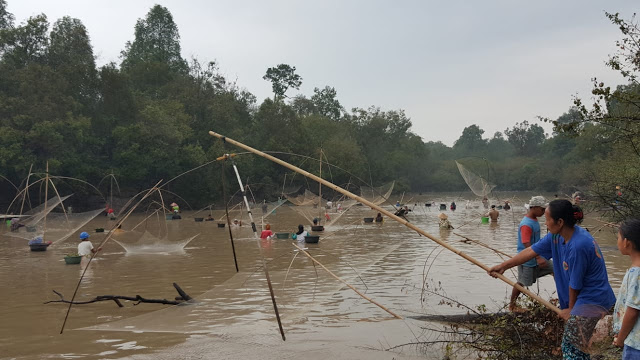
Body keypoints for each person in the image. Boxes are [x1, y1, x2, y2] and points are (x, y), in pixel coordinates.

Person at [489, 199, 615, 358]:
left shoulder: (579, 245)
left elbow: (575, 284)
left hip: (592, 301)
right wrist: (504, 266)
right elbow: (530, 252)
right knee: (579, 347)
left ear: (560, 222)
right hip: (580, 301)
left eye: (548, 219)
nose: (546, 223)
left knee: (571, 349)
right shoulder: (556, 237)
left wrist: (571, 309)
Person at [505, 196, 552, 311]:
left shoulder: (534, 221)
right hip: (527, 259)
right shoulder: (526, 224)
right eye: (542, 209)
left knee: (555, 268)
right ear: (534, 208)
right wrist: (538, 257)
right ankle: (512, 305)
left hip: (535, 256)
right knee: (522, 283)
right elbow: (526, 242)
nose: (543, 212)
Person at [613, 219, 640, 358]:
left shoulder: (637, 274)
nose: (617, 241)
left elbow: (632, 312)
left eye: (618, 237)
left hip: (635, 343)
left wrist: (621, 339)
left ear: (626, 242)